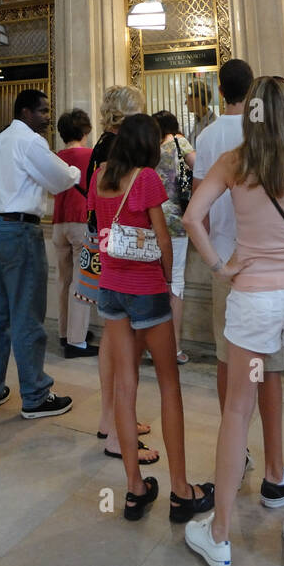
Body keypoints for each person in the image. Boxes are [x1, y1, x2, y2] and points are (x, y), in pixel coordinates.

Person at [182, 77, 284, 566]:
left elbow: (191, 218)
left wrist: (219, 266)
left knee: (236, 411)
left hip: (253, 299)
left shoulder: (232, 163)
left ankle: (221, 535)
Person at [89, 112, 214, 523]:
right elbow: (163, 238)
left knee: (125, 388)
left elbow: (100, 226)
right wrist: (162, 279)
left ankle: (135, 488)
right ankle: (180, 490)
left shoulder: (101, 175)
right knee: (169, 385)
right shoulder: (144, 178)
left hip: (111, 291)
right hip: (145, 291)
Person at [191, 59, 284, 502]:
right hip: (267, 260)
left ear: (219, 88)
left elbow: (201, 205)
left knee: (227, 356)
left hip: (226, 258)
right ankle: (276, 465)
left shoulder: (209, 136)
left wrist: (214, 258)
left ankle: (239, 450)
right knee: (268, 365)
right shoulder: (267, 130)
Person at [0, 89, 79, 419]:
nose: (48, 116)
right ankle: (35, 395)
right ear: (25, 111)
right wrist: (76, 173)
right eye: (42, 111)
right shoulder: (30, 141)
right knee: (28, 315)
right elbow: (60, 178)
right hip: (21, 231)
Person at [88, 85, 156, 463]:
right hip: (124, 257)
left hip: (102, 247)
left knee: (112, 340)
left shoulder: (100, 146)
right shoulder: (121, 151)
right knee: (122, 343)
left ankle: (109, 417)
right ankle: (117, 427)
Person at [52, 109, 98, 358]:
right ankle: (76, 341)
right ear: (85, 131)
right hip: (81, 222)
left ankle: (65, 332)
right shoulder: (91, 155)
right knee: (81, 283)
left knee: (63, 281)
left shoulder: (56, 157)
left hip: (58, 222)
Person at [152, 110, 195, 364]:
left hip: (153, 219)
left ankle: (152, 345)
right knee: (175, 281)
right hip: (177, 220)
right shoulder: (180, 141)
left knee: (156, 281)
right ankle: (174, 348)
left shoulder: (150, 148)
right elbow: (198, 166)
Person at [185, 78, 215, 145]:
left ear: (197, 99)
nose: (185, 102)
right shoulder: (188, 126)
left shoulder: (216, 124)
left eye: (187, 98)